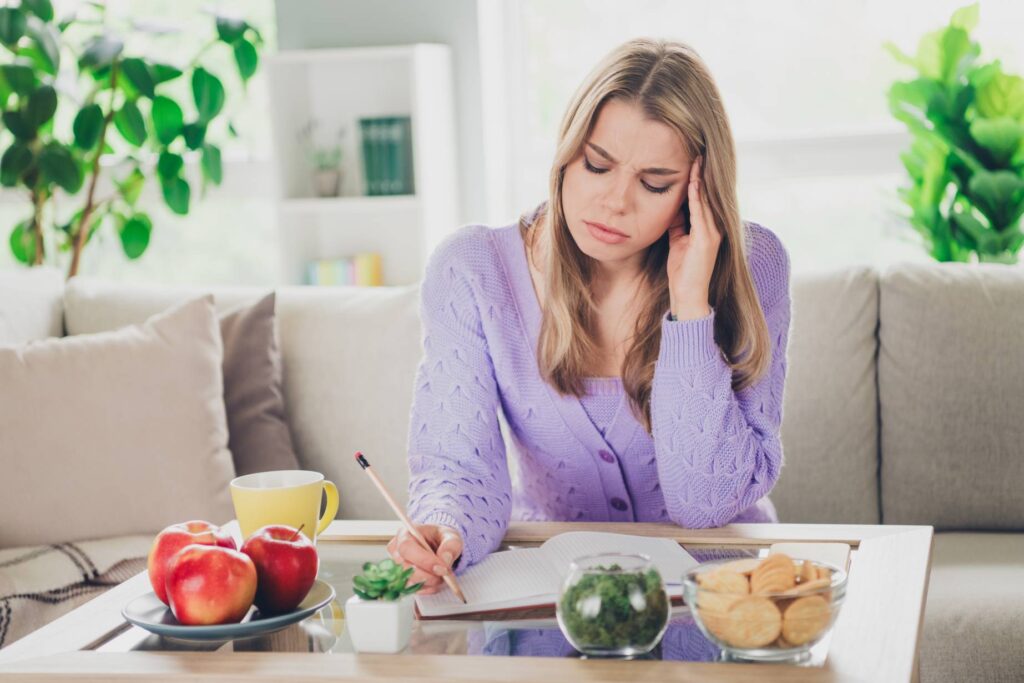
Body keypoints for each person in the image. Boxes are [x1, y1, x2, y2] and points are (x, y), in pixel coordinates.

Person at [387, 38, 792, 594]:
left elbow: (708, 503)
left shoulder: (753, 265)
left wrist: (691, 307)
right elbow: (458, 471)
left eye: (655, 183)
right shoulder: (472, 271)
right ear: (566, 152)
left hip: (720, 593)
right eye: (597, 165)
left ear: (698, 191)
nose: (615, 202)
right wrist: (444, 528)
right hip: (550, 590)